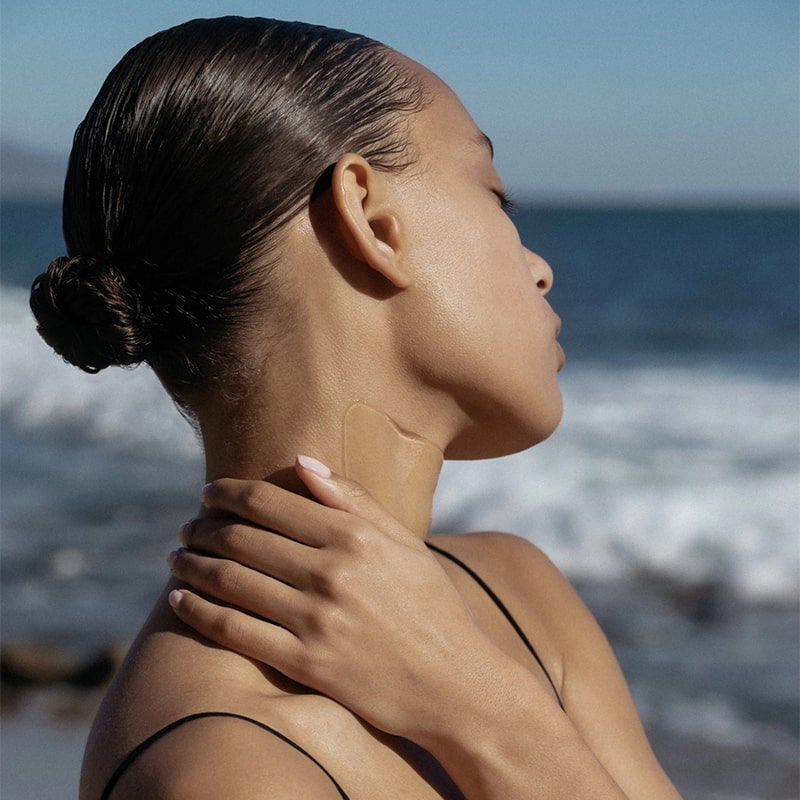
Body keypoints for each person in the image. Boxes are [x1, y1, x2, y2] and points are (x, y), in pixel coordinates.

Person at [30, 16, 681, 800]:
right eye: (496, 198)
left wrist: (477, 697)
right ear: (371, 220)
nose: (540, 268)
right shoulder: (226, 769)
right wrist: (495, 723)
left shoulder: (520, 592)